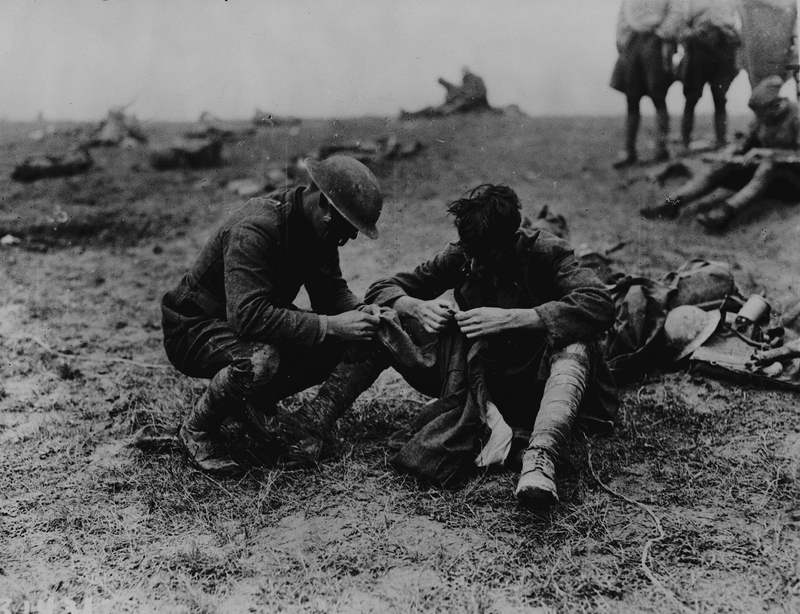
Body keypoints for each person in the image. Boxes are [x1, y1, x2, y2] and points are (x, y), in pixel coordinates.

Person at [282, 184, 618, 507]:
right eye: (469, 255)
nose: (473, 266)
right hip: (480, 379)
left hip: (539, 381)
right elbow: (384, 287)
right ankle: (313, 423)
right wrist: (416, 306)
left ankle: (540, 458)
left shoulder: (546, 252)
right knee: (382, 318)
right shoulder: (463, 254)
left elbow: (599, 303)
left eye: (485, 257)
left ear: (509, 240)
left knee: (577, 341)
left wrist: (514, 318)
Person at [160, 155, 384, 476]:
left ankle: (260, 407)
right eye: (347, 229)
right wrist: (332, 325)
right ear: (322, 203)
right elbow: (247, 317)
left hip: (244, 325)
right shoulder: (257, 227)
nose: (349, 239)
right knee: (259, 360)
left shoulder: (319, 228)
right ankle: (197, 430)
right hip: (194, 327)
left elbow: (330, 292)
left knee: (352, 338)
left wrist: (361, 313)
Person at [640, 75, 800, 230]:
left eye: (762, 114)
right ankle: (671, 204)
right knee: (720, 166)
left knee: (768, 165)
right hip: (766, 177)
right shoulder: (761, 117)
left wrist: (766, 153)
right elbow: (746, 140)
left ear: (776, 106)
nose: (759, 119)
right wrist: (732, 151)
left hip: (792, 181)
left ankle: (725, 213)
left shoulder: (796, 117)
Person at [610, 0, 683, 167]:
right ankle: (629, 151)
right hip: (633, 42)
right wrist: (622, 40)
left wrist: (663, 33)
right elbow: (622, 17)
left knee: (658, 96)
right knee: (632, 98)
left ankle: (661, 149)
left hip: (656, 43)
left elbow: (677, 11)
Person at [676, 0, 741, 152]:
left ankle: (721, 142)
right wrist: (689, 36)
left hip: (724, 48)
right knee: (691, 97)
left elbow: (741, 22)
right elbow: (681, 23)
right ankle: (685, 144)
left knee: (720, 97)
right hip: (698, 48)